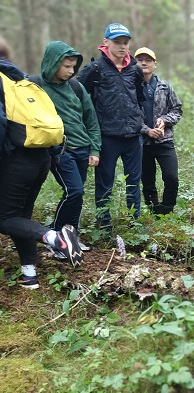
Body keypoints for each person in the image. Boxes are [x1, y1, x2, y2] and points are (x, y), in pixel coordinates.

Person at [0, 35, 83, 289]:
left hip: (16, 159)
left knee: (4, 218)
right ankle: (29, 274)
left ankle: (56, 238)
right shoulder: (19, 78)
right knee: (21, 216)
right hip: (41, 157)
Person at [36, 41, 101, 259]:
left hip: (82, 148)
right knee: (75, 191)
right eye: (67, 66)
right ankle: (55, 236)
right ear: (53, 63)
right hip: (59, 150)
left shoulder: (76, 87)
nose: (72, 71)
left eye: (73, 67)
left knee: (76, 195)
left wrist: (94, 148)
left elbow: (90, 119)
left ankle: (71, 235)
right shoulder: (34, 86)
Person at [78, 23, 145, 231]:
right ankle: (104, 223)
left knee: (134, 181)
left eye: (125, 43)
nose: (122, 47)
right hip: (107, 136)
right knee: (104, 182)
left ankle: (134, 223)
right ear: (105, 42)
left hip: (133, 136)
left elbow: (140, 99)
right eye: (117, 42)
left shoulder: (135, 69)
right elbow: (78, 97)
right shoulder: (94, 69)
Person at [135, 47, 183, 215]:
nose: (143, 62)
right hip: (142, 143)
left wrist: (165, 120)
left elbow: (177, 110)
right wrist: (147, 130)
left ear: (155, 64)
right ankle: (154, 210)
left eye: (147, 60)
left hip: (165, 141)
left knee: (171, 177)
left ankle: (167, 209)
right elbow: (128, 116)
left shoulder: (165, 87)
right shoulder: (132, 87)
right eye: (139, 59)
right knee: (147, 180)